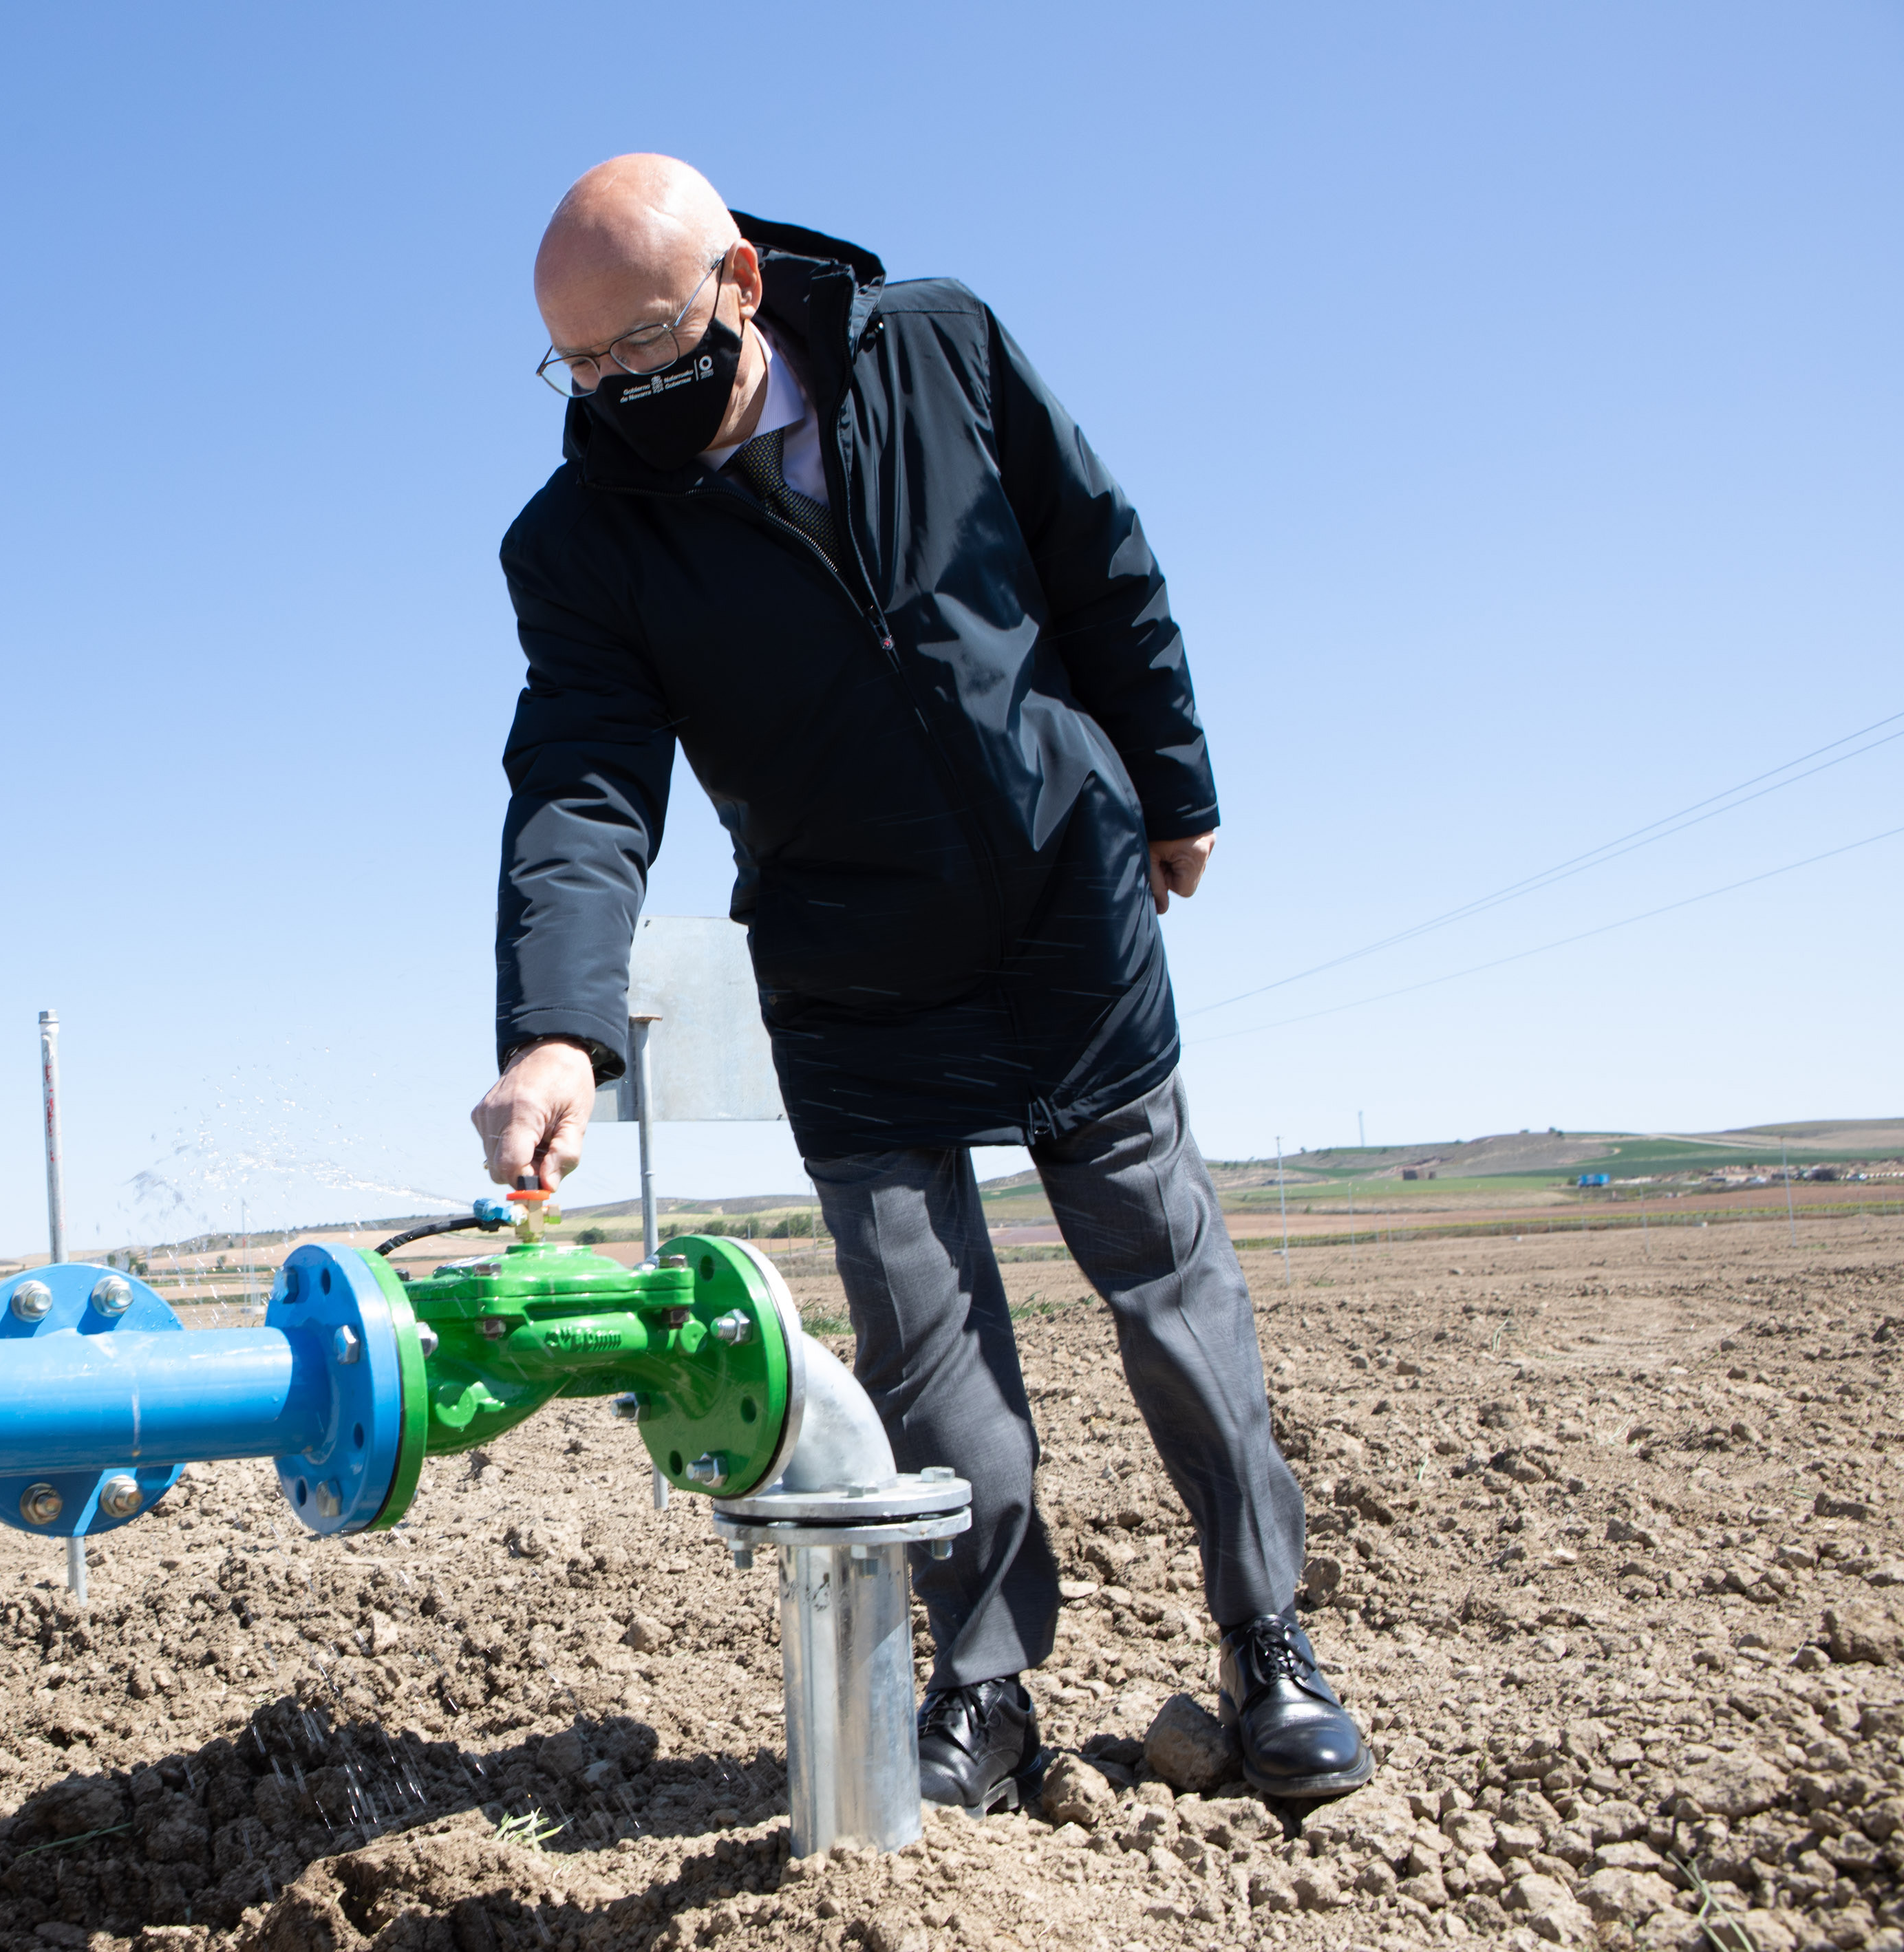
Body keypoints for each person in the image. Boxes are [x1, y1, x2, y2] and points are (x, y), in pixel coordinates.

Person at [468, 155, 1369, 1811]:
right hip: (845, 964)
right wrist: (556, 1031)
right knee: (927, 1347)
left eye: (642, 346)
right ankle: (985, 1688)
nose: (611, 393)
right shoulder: (581, 537)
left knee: (1173, 1298)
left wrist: (1171, 789)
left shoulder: (937, 347)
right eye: (576, 367)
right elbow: (581, 781)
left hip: (1058, 904)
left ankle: (1270, 1643)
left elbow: (1094, 553)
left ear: (740, 282)